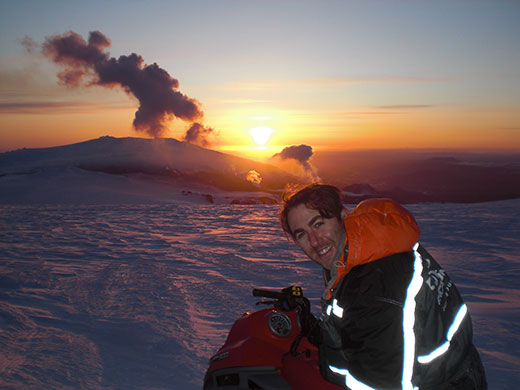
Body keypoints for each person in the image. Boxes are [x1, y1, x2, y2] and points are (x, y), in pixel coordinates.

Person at [279, 184, 487, 390]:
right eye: (301, 234)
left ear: (343, 216)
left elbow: (380, 383)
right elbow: (369, 329)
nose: (314, 242)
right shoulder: (369, 248)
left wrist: (314, 368)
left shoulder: (374, 285)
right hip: (455, 368)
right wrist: (321, 334)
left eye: (318, 224)